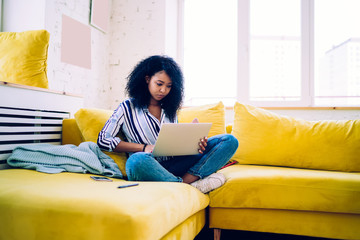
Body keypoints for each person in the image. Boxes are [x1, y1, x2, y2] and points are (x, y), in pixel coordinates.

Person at [97, 55, 238, 193]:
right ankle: (187, 186)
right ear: (147, 79)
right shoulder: (127, 107)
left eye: (168, 86)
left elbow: (173, 144)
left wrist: (194, 145)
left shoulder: (169, 109)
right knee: (136, 160)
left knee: (229, 140)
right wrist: (144, 147)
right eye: (159, 84)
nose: (163, 90)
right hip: (148, 166)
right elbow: (103, 140)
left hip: (176, 164)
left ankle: (184, 182)